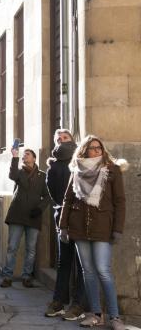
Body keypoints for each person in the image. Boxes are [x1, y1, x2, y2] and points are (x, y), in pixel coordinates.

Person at [59, 135, 126, 330]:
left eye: (99, 148)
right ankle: (96, 314)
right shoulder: (76, 170)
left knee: (104, 271)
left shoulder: (112, 170)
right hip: (79, 227)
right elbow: (67, 200)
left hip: (103, 227)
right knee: (88, 273)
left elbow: (120, 202)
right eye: (92, 148)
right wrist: (63, 226)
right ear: (84, 150)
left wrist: (118, 229)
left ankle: (115, 317)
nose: (96, 151)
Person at [44, 129, 86, 320]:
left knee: (82, 264)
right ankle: (59, 301)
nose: (62, 142)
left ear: (73, 140)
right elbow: (54, 195)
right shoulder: (53, 167)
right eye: (58, 140)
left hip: (83, 220)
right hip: (62, 219)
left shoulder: (83, 162)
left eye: (65, 138)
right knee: (64, 262)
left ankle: (79, 304)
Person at [0, 148, 50, 288]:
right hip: (17, 215)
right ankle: (7, 277)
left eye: (27, 154)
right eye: (23, 155)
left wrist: (39, 208)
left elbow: (47, 196)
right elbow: (12, 174)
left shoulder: (42, 176)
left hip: (33, 216)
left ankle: (27, 277)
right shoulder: (19, 173)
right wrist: (15, 157)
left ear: (34, 158)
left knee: (31, 249)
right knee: (12, 247)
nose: (24, 156)